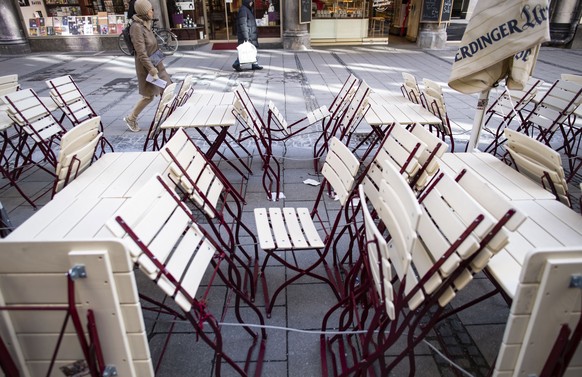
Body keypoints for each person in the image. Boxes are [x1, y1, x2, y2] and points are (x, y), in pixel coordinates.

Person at [123, 0, 171, 132]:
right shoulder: (136, 28)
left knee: (167, 90)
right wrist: (152, 70)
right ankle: (131, 118)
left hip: (156, 63)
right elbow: (141, 53)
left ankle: (167, 117)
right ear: (144, 12)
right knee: (148, 96)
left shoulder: (146, 24)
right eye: (150, 10)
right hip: (147, 68)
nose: (152, 11)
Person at [232, 0, 263, 72]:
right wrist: (246, 37)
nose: (252, 3)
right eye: (251, 1)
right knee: (245, 50)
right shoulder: (243, 10)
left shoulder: (247, 9)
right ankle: (236, 63)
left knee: (252, 50)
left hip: (250, 33)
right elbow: (243, 24)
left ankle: (254, 64)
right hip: (247, 35)